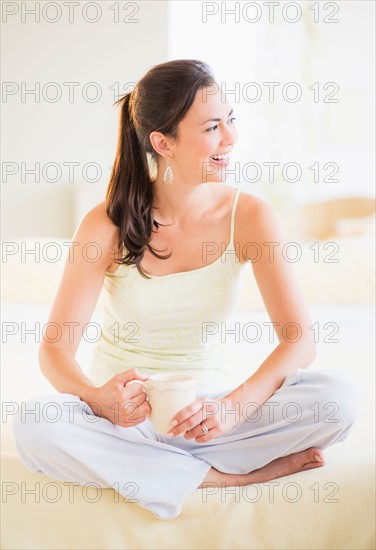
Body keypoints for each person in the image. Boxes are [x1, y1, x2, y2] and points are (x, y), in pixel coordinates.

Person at [12, 59, 358, 520]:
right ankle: (233, 477)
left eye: (231, 120)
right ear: (163, 143)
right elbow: (54, 351)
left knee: (336, 400)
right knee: (35, 424)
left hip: (213, 415)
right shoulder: (105, 224)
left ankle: (161, 470)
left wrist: (234, 409)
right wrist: (99, 400)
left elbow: (299, 340)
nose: (231, 138)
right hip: (125, 423)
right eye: (213, 126)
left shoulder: (250, 216)